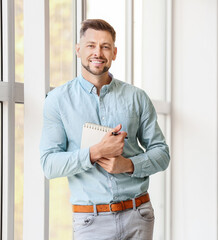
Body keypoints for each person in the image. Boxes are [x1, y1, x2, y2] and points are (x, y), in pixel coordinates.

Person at [40, 19, 170, 240]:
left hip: (138, 215)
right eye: (91, 45)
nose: (97, 52)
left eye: (105, 46)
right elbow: (49, 165)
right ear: (78, 50)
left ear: (114, 52)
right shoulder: (57, 101)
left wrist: (128, 165)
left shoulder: (136, 97)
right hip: (90, 222)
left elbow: (162, 153)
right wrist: (95, 152)